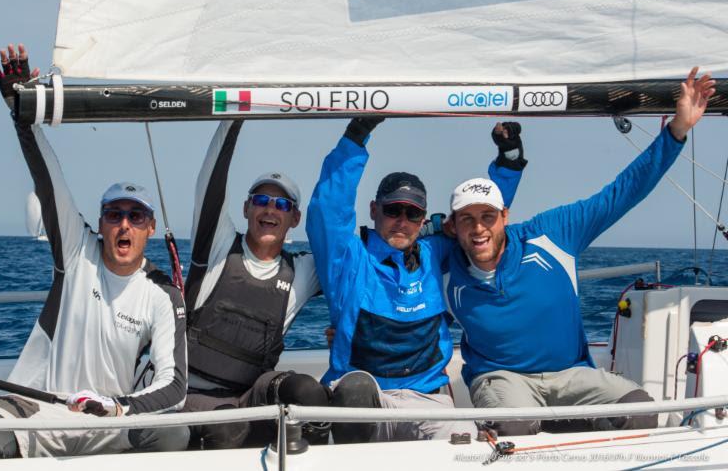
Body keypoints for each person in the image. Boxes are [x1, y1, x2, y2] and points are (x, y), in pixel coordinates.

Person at [444, 67, 716, 436]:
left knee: (639, 410)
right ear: (453, 226)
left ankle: (576, 421)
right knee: (514, 427)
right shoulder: (441, 262)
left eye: (487, 217)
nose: (478, 229)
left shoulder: (553, 234)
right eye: (467, 219)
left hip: (570, 374)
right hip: (501, 378)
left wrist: (677, 130)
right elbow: (382, 253)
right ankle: (563, 424)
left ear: (505, 216)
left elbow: (621, 193)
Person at [0, 44, 189, 459]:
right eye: (114, 214)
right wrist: (22, 113)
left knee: (173, 435)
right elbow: (49, 180)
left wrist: (118, 407)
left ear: (151, 228)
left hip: (111, 416)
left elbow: (174, 386)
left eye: (136, 216)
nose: (124, 224)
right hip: (43, 408)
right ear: (100, 222)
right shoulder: (77, 251)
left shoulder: (162, 293)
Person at [306, 117, 526, 443]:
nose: (402, 221)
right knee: (355, 388)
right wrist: (356, 135)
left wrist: (509, 160)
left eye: (412, 214)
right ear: (374, 210)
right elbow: (329, 209)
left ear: (423, 220)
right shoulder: (347, 257)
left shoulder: (436, 252)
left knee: (466, 445)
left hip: (428, 402)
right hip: (365, 400)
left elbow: (481, 217)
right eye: (393, 210)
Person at [181, 120, 329, 449]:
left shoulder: (303, 271)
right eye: (261, 200)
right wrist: (233, 119)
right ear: (246, 208)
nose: (270, 209)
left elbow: (348, 252)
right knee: (226, 428)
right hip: (189, 396)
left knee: (308, 392)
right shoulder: (218, 247)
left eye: (282, 205)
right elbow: (209, 183)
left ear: (295, 218)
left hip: (249, 398)